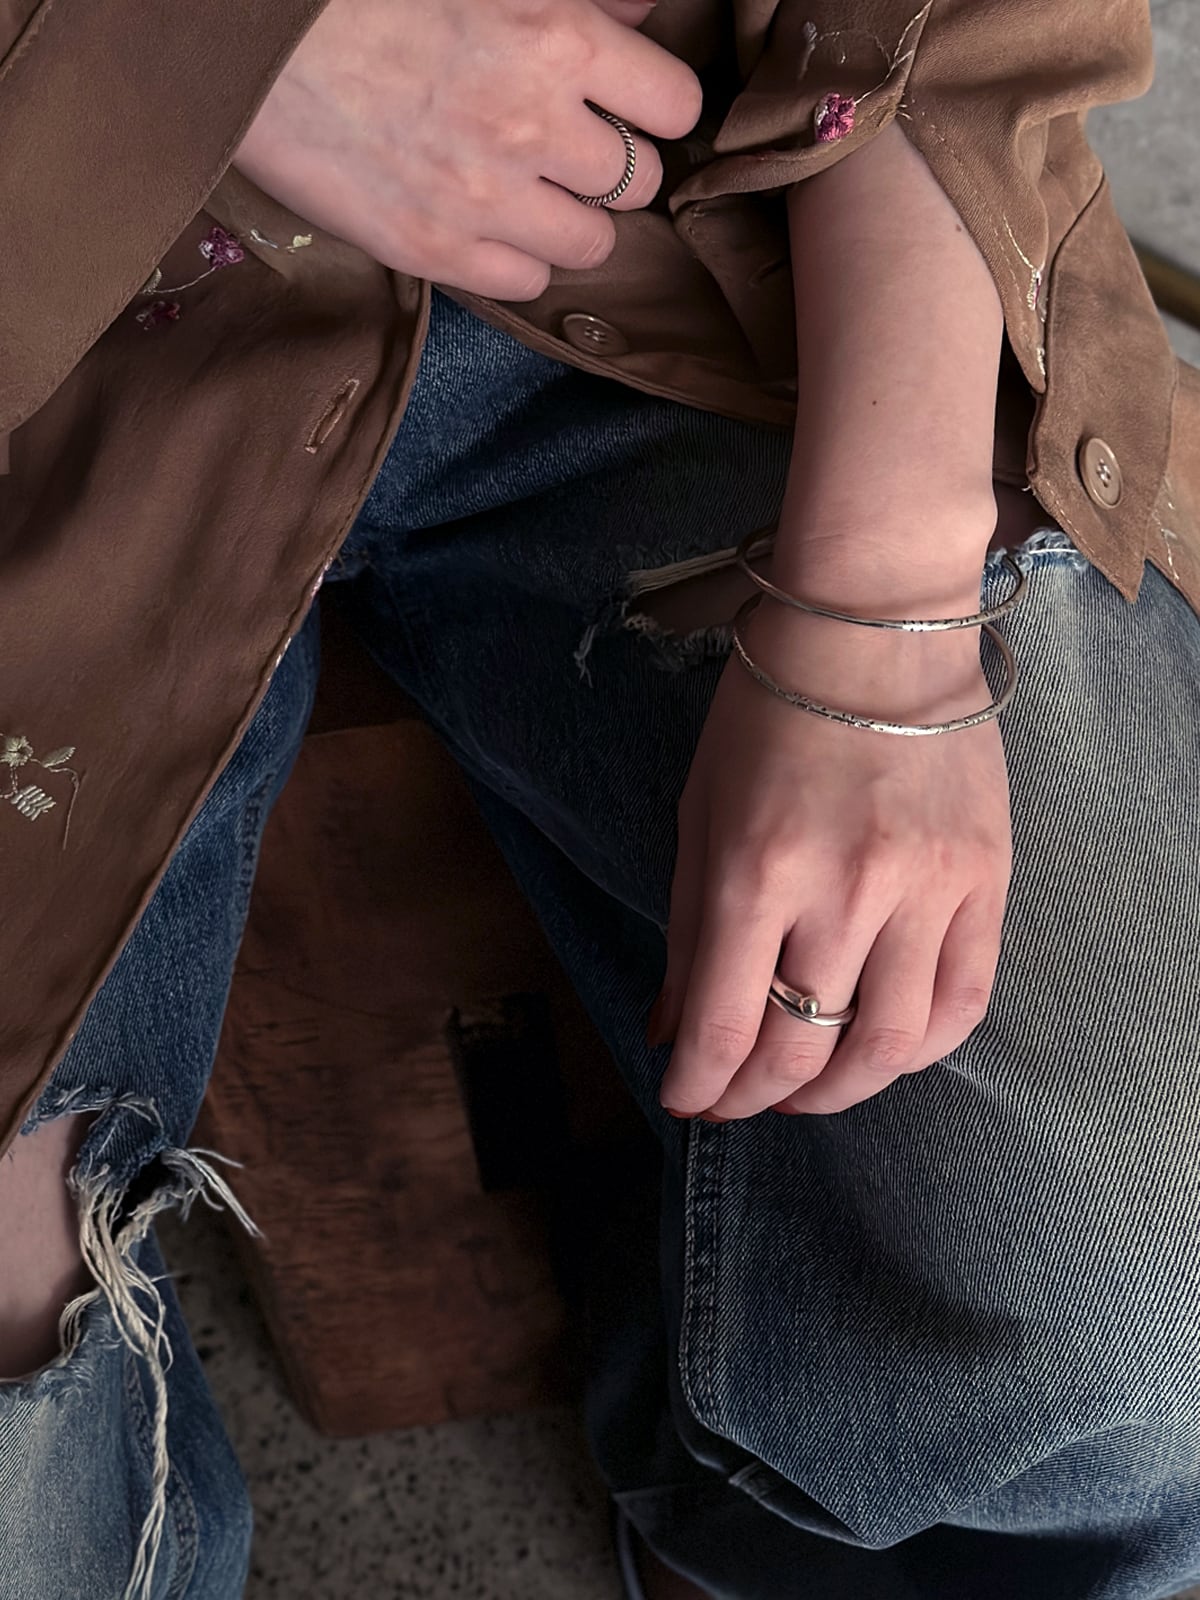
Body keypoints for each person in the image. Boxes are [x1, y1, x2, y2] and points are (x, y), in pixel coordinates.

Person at [1, 0, 1198, 1596]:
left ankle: (764, 1521)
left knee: (1148, 1332)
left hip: (704, 230)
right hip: (51, 312)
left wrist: (885, 601)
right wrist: (203, 45)